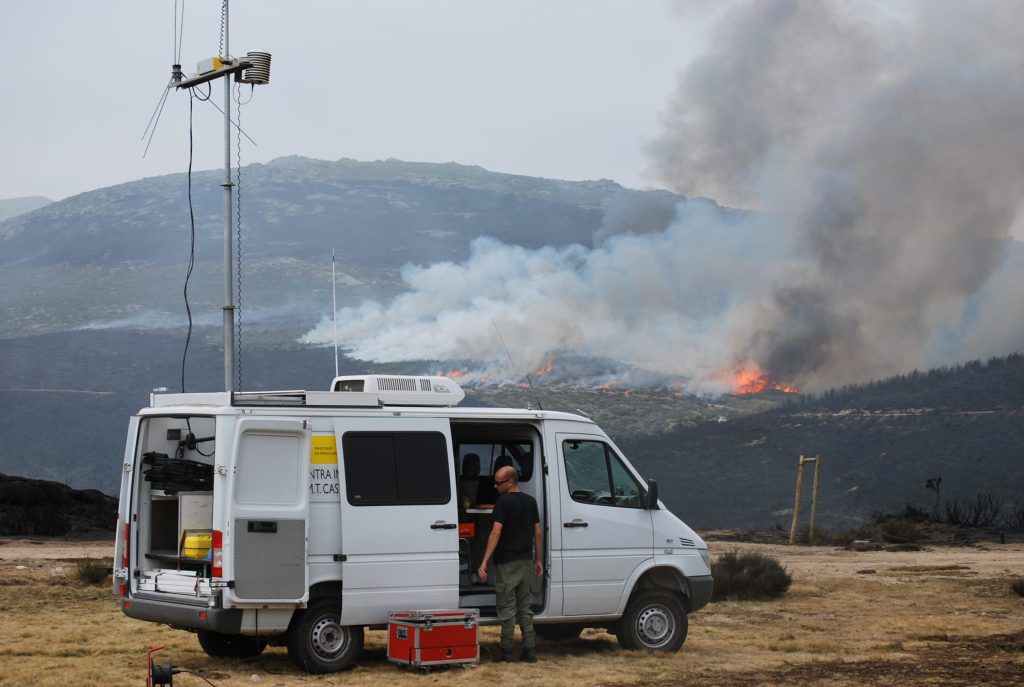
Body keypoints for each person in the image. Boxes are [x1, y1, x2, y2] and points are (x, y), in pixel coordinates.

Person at [477, 464, 543, 662]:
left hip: (507, 563)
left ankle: (505, 652)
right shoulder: (531, 502)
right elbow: (538, 533)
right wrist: (537, 559)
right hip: (525, 562)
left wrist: (484, 561)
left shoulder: (503, 503)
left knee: (507, 608)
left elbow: (496, 532)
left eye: (498, 482)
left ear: (510, 482)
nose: (495, 486)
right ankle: (530, 651)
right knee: (525, 608)